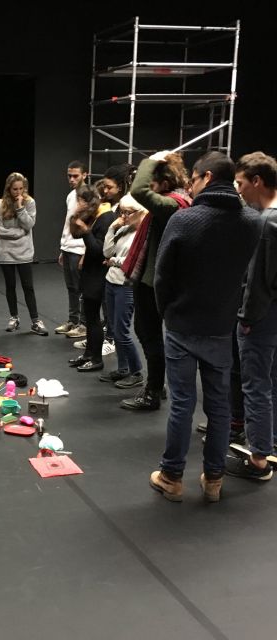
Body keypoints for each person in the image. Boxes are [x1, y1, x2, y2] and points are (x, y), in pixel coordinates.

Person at [149, 151, 260, 502]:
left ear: (207, 177)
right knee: (220, 406)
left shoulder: (183, 220)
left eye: (193, 179)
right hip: (221, 326)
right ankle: (214, 480)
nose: (190, 186)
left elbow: (162, 276)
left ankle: (171, 477)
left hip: (182, 324)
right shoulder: (251, 222)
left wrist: (167, 312)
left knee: (182, 404)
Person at [121, 152, 191, 411]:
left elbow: (137, 190)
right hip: (153, 280)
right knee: (147, 332)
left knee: (149, 334)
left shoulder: (172, 205)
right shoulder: (177, 202)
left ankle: (153, 391)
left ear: (164, 183)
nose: (149, 188)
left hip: (154, 283)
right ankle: (156, 384)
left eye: (153, 183)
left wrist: (151, 160)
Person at [225, 151, 277, 481]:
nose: (239, 190)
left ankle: (259, 460)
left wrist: (245, 318)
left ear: (257, 181)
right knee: (271, 380)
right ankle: (270, 443)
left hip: (261, 317)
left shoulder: (264, 223)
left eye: (241, 183)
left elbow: (256, 281)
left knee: (256, 384)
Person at [100, 193, 146, 388]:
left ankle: (136, 373)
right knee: (114, 327)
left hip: (125, 286)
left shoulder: (142, 233)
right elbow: (107, 251)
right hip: (111, 281)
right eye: (122, 212)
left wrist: (115, 261)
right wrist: (112, 228)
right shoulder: (124, 229)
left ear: (140, 212)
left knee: (122, 331)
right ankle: (123, 368)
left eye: (128, 213)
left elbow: (134, 260)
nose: (124, 216)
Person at [67, 185, 116, 372]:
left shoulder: (106, 217)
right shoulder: (94, 215)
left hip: (98, 273)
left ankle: (96, 359)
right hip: (90, 272)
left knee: (94, 318)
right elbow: (75, 233)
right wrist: (77, 218)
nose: (77, 204)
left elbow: (98, 251)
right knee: (89, 316)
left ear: (87, 201)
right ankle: (88, 354)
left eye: (79, 201)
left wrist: (86, 230)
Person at [0, 172, 48, 336]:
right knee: (10, 286)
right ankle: (14, 317)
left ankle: (35, 321)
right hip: (5, 252)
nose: (18, 192)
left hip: (24, 252)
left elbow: (29, 224)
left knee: (28, 286)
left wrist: (20, 208)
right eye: (14, 189)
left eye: (21, 189)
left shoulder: (30, 202)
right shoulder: (0, 205)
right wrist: (17, 233)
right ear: (8, 189)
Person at [56, 161, 88, 338]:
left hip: (80, 249)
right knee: (71, 287)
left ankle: (83, 324)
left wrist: (86, 252)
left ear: (85, 175)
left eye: (75, 176)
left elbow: (90, 225)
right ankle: (73, 320)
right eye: (69, 176)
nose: (72, 179)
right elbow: (68, 223)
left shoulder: (89, 196)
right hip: (68, 247)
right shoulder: (70, 196)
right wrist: (63, 247)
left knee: (80, 288)